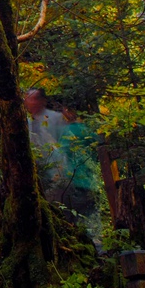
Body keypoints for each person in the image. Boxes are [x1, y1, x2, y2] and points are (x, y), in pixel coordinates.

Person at [24, 88, 98, 218]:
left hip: (64, 174)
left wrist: (61, 169)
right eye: (28, 98)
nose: (29, 101)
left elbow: (67, 146)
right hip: (42, 174)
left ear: (42, 100)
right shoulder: (26, 122)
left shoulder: (56, 119)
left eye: (33, 98)